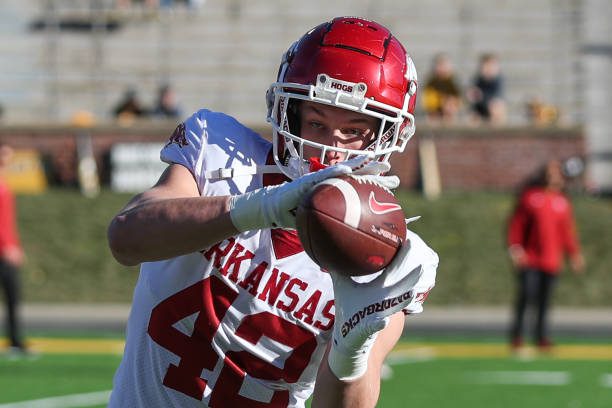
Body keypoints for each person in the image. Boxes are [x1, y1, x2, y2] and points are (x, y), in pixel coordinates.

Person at [107, 16, 438, 407]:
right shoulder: (221, 157)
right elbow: (126, 238)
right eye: (316, 122)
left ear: (389, 136)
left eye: (353, 131)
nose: (331, 151)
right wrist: (257, 208)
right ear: (287, 111)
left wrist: (352, 343)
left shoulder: (382, 253)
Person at [507, 159, 585, 352]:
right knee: (527, 294)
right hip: (530, 258)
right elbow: (517, 225)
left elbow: (567, 233)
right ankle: (517, 334)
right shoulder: (530, 197)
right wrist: (516, 249)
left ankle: (541, 336)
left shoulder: (563, 201)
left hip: (551, 260)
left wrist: (574, 255)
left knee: (544, 300)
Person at [0, 142, 27, 355]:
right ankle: (15, 340)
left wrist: (15, 245)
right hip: (2, 250)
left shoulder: (4, 181)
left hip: (7, 249)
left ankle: (15, 340)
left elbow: (8, 221)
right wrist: (7, 246)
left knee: (13, 297)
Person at [422, 53, 462, 124]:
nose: (443, 69)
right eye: (440, 66)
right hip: (435, 114)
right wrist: (442, 102)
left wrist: (451, 104)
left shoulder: (453, 83)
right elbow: (428, 103)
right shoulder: (431, 83)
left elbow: (458, 101)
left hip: (449, 114)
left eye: (445, 66)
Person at [466, 53, 506, 125]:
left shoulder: (499, 80)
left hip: (492, 108)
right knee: (473, 116)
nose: (489, 69)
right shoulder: (477, 80)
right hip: (480, 108)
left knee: (496, 106)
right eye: (487, 66)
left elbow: (496, 97)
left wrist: (481, 96)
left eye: (492, 66)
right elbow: (473, 99)